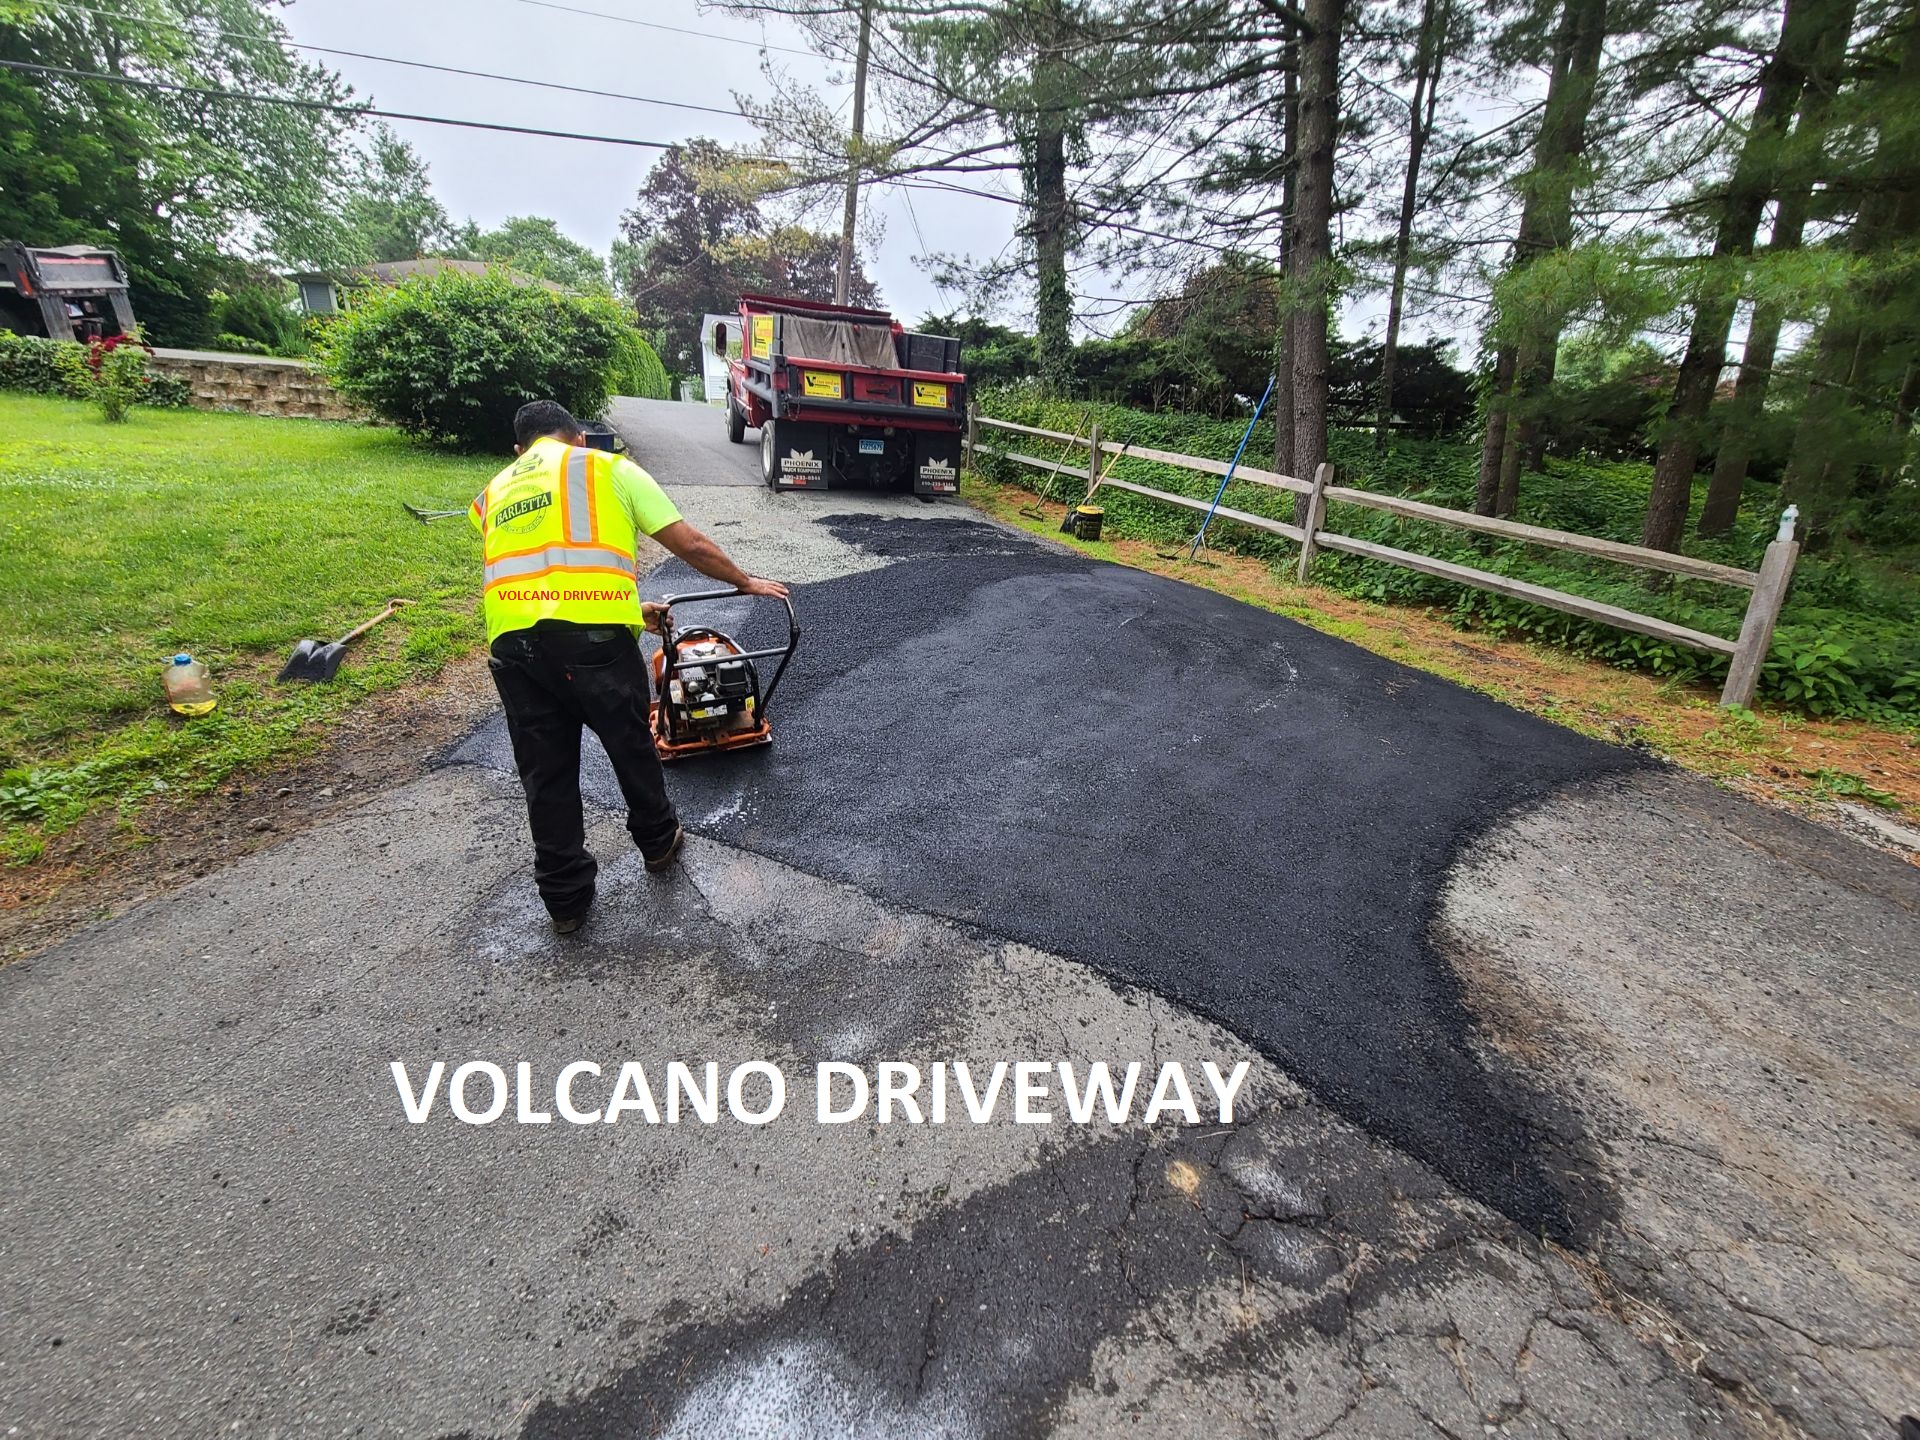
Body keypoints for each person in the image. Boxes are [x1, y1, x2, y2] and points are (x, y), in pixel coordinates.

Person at [471, 400, 788, 934]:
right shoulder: (605, 466)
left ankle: (565, 901)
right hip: (594, 647)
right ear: (576, 438)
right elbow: (685, 541)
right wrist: (745, 581)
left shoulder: (494, 492)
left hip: (513, 650)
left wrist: (630, 611)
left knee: (545, 773)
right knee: (631, 742)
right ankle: (659, 841)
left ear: (520, 450)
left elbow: (544, 573)